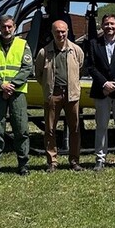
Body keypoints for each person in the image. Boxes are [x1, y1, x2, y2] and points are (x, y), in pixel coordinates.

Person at [0, 15, 34, 177]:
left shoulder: (23, 44)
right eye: (4, 27)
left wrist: (11, 85)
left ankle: (23, 163)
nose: (7, 29)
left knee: (21, 128)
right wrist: (1, 85)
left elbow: (27, 67)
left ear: (15, 27)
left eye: (10, 26)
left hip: (17, 92)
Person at [85, 14, 115, 171]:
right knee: (101, 126)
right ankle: (100, 158)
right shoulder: (94, 43)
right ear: (102, 26)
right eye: (106, 24)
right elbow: (91, 67)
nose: (109, 27)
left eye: (112, 24)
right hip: (101, 90)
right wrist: (104, 83)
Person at [36, 20, 85, 172]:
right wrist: (49, 87)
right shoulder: (44, 52)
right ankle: (52, 161)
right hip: (53, 94)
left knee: (75, 128)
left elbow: (80, 69)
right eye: (57, 31)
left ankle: (74, 161)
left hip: (71, 94)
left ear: (67, 31)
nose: (60, 34)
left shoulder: (76, 50)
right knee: (50, 129)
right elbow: (39, 74)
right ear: (52, 32)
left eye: (63, 31)